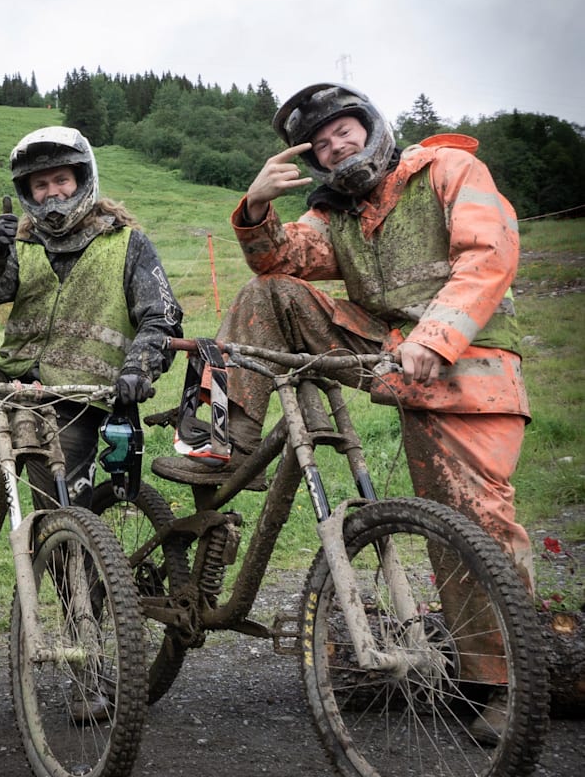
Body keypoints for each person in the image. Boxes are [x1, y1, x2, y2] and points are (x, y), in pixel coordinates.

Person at [153, 82, 532, 743]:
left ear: (370, 126)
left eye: (343, 131)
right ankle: (224, 438)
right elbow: (284, 261)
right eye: (322, 144)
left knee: (476, 522)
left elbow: (489, 254)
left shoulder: (447, 169)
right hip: (388, 354)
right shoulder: (340, 213)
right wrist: (256, 207)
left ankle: (503, 684)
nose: (335, 146)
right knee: (267, 291)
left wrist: (434, 338)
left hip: (471, 369)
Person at [0, 125, 183, 508]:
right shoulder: (22, 245)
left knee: (62, 527)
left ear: (83, 179)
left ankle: (67, 556)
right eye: (40, 185)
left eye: (61, 180)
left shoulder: (127, 244)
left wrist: (138, 369)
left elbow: (162, 318)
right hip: (9, 387)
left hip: (77, 402)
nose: (52, 192)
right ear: (27, 192)